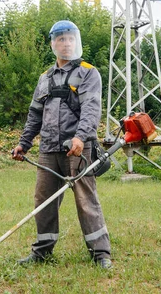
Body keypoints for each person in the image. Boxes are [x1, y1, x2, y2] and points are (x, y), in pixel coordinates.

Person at [11, 20, 112, 269]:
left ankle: (101, 254)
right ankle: (42, 251)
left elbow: (91, 110)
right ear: (53, 44)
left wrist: (80, 138)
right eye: (61, 39)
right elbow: (35, 114)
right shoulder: (45, 78)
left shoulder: (88, 73)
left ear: (76, 42)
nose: (66, 43)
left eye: (70, 39)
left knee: (86, 201)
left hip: (77, 148)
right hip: (48, 149)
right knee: (43, 201)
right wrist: (24, 143)